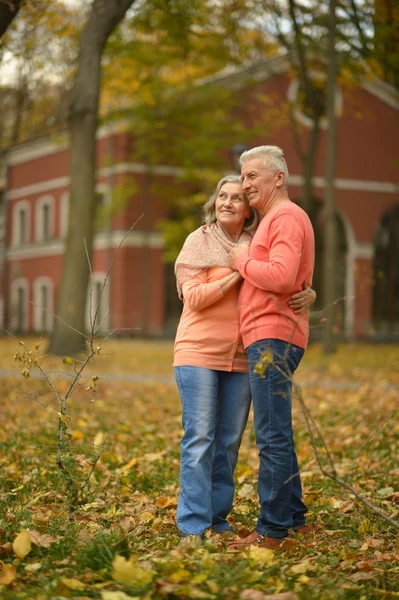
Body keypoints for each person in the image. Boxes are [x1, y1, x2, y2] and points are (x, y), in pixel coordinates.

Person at [174, 174, 315, 548]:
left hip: (241, 355)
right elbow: (194, 299)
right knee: (200, 438)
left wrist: (310, 293)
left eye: (237, 197)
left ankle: (217, 517)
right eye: (222, 196)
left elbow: (279, 277)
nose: (228, 202)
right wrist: (238, 270)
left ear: (249, 208)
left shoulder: (257, 244)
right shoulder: (199, 241)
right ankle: (192, 524)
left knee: (229, 441)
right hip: (198, 351)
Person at [227, 145, 315, 550]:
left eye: (252, 176)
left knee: (271, 435)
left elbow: (280, 276)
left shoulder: (284, 216)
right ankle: (293, 520)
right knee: (278, 430)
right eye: (242, 176)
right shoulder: (275, 220)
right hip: (270, 335)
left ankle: (273, 530)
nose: (245, 184)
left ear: (278, 178)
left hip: (272, 337)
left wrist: (241, 258)